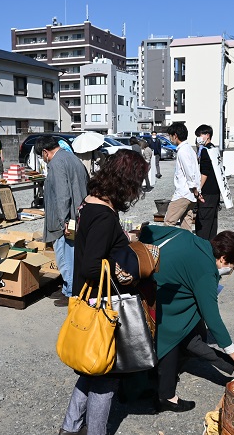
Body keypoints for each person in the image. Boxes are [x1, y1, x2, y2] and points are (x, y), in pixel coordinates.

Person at [59, 149, 149, 435]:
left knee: (91, 367)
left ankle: (70, 428)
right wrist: (125, 276)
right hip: (101, 302)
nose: (138, 190)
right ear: (126, 182)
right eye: (137, 183)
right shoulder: (104, 216)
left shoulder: (90, 203)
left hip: (86, 297)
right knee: (107, 375)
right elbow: (90, 266)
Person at [139, 226, 234, 412]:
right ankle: (166, 396)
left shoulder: (186, 236)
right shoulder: (206, 271)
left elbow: (148, 231)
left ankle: (231, 368)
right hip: (162, 306)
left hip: (148, 291)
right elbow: (213, 317)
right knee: (176, 334)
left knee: (190, 336)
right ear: (223, 258)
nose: (232, 270)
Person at [34, 136, 88, 307]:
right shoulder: (71, 157)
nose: (43, 160)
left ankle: (71, 291)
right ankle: (67, 287)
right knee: (72, 253)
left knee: (65, 253)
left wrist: (63, 219)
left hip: (66, 218)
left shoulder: (57, 163)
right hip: (77, 213)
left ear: (45, 152)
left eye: (42, 157)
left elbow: (62, 194)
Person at [163, 123, 200, 231]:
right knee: (186, 225)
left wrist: (194, 187)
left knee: (169, 222)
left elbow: (189, 171)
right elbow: (196, 170)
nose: (170, 139)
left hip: (183, 193)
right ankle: (186, 246)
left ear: (175, 135)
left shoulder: (182, 151)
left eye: (170, 136)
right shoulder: (190, 149)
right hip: (191, 195)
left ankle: (166, 247)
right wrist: (197, 190)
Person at [194, 124, 220, 240]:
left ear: (207, 136)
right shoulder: (214, 149)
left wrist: (198, 189)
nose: (198, 138)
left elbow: (205, 172)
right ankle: (211, 248)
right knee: (212, 223)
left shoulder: (205, 151)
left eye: (200, 135)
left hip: (207, 192)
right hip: (215, 192)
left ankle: (202, 251)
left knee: (203, 224)